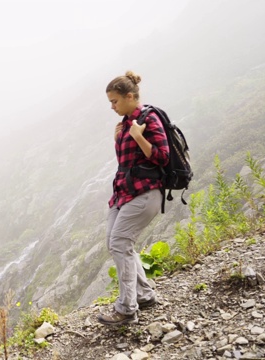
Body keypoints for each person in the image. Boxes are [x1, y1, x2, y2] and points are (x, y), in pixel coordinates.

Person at [97, 71, 170, 325]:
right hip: (123, 194)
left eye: (115, 101)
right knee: (115, 243)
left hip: (145, 193)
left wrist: (139, 136)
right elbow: (128, 163)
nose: (112, 106)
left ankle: (127, 309)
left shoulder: (148, 119)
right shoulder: (126, 123)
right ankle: (144, 295)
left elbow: (162, 156)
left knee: (120, 243)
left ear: (130, 96)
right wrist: (119, 139)